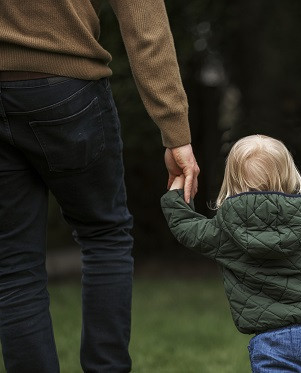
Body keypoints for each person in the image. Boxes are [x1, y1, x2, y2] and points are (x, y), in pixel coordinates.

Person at [0, 1, 199, 372]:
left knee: (12, 264)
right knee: (104, 236)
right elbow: (144, 19)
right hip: (65, 87)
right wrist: (176, 132)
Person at [161, 135, 301, 372]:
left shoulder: (224, 230)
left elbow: (186, 228)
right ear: (289, 175)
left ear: (232, 180)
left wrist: (177, 192)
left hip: (273, 341)